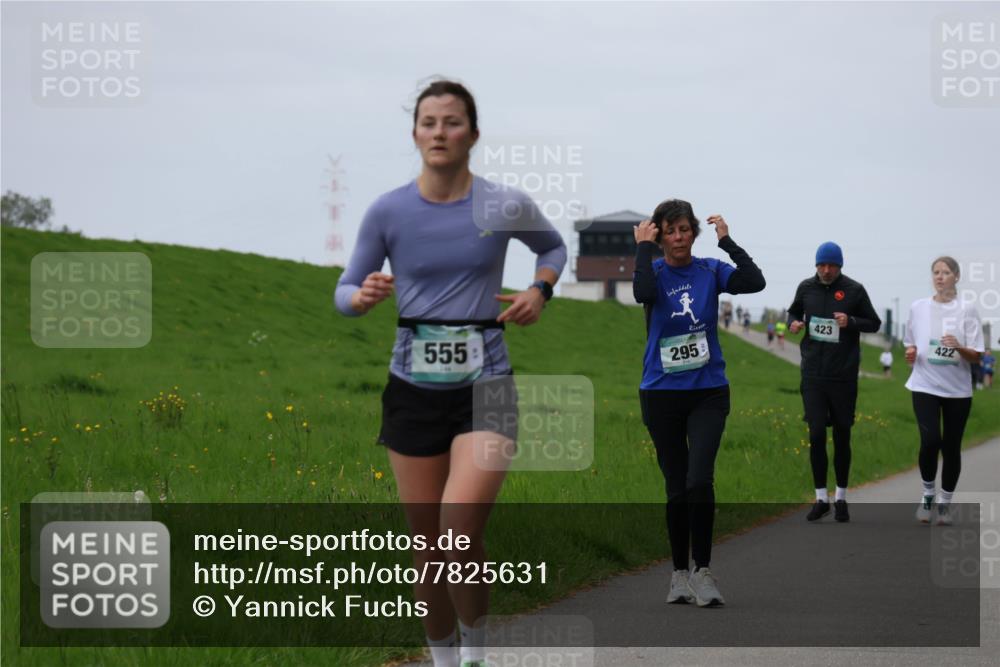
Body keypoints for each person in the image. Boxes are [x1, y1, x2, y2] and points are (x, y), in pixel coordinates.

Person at [334, 80, 567, 667]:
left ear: (474, 134)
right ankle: (443, 660)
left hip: (487, 384)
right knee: (428, 551)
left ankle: (477, 654)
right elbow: (343, 288)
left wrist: (540, 291)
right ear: (415, 133)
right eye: (429, 122)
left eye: (452, 122)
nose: (440, 132)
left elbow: (553, 248)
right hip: (411, 389)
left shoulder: (503, 203)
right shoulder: (388, 210)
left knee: (459, 533)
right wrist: (359, 297)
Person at [633, 200, 765, 607]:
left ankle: (703, 571)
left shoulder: (710, 269)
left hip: (708, 391)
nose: (678, 238)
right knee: (676, 488)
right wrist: (643, 248)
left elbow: (754, 282)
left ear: (694, 232)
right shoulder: (652, 271)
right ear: (660, 234)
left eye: (685, 230)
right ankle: (677, 576)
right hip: (661, 393)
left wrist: (728, 242)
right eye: (670, 231)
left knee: (698, 480)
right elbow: (641, 294)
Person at [787, 242, 881, 523]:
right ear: (816, 265)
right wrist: (793, 323)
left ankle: (840, 497)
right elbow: (792, 312)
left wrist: (850, 320)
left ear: (840, 265)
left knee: (842, 434)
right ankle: (820, 498)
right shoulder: (806, 288)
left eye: (832, 265)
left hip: (843, 376)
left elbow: (873, 323)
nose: (826, 270)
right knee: (816, 433)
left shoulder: (854, 290)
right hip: (813, 374)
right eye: (822, 265)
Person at [904, 257, 984, 525]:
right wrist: (911, 353)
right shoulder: (918, 308)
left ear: (956, 277)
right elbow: (910, 343)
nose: (940, 277)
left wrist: (958, 346)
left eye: (946, 272)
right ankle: (928, 494)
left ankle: (945, 504)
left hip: (958, 391)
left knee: (951, 447)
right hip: (924, 384)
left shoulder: (967, 309)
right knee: (929, 441)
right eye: (936, 272)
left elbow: (977, 357)